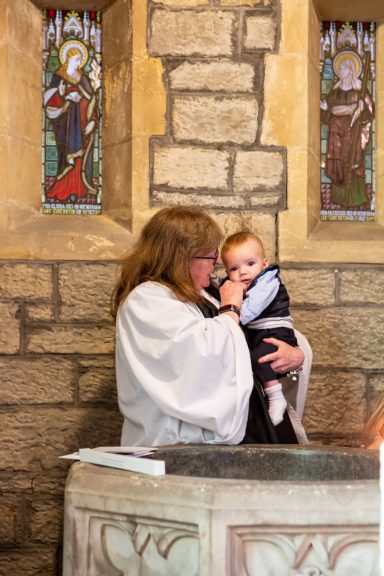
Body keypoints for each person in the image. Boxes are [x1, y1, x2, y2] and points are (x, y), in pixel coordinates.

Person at [112, 206, 305, 447]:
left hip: (254, 427)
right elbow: (195, 356)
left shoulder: (208, 292)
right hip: (185, 444)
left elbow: (258, 332)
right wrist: (231, 310)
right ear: (180, 258)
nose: (216, 262)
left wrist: (296, 354)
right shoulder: (148, 300)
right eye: (209, 255)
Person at [221, 231, 297, 427]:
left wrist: (231, 311)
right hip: (260, 333)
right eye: (234, 268)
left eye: (250, 264)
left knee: (258, 359)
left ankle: (276, 398)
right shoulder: (237, 284)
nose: (243, 272)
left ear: (264, 263)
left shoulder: (267, 281)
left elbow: (249, 311)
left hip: (277, 332)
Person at [43, 40, 100, 202]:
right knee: (65, 155)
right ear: (68, 59)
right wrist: (65, 97)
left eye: (81, 59)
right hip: (65, 125)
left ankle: (80, 189)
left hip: (81, 123)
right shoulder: (58, 76)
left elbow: (92, 100)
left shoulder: (82, 77)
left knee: (81, 157)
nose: (79, 62)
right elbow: (49, 99)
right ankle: (63, 189)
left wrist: (92, 121)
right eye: (76, 59)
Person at [320, 50, 374, 208]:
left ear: (351, 70)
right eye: (340, 68)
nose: (341, 71)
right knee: (338, 166)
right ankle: (338, 199)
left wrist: (362, 109)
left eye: (344, 68)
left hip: (353, 136)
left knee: (353, 165)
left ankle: (355, 199)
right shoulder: (334, 94)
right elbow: (325, 111)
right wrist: (332, 110)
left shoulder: (361, 93)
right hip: (336, 137)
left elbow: (370, 114)